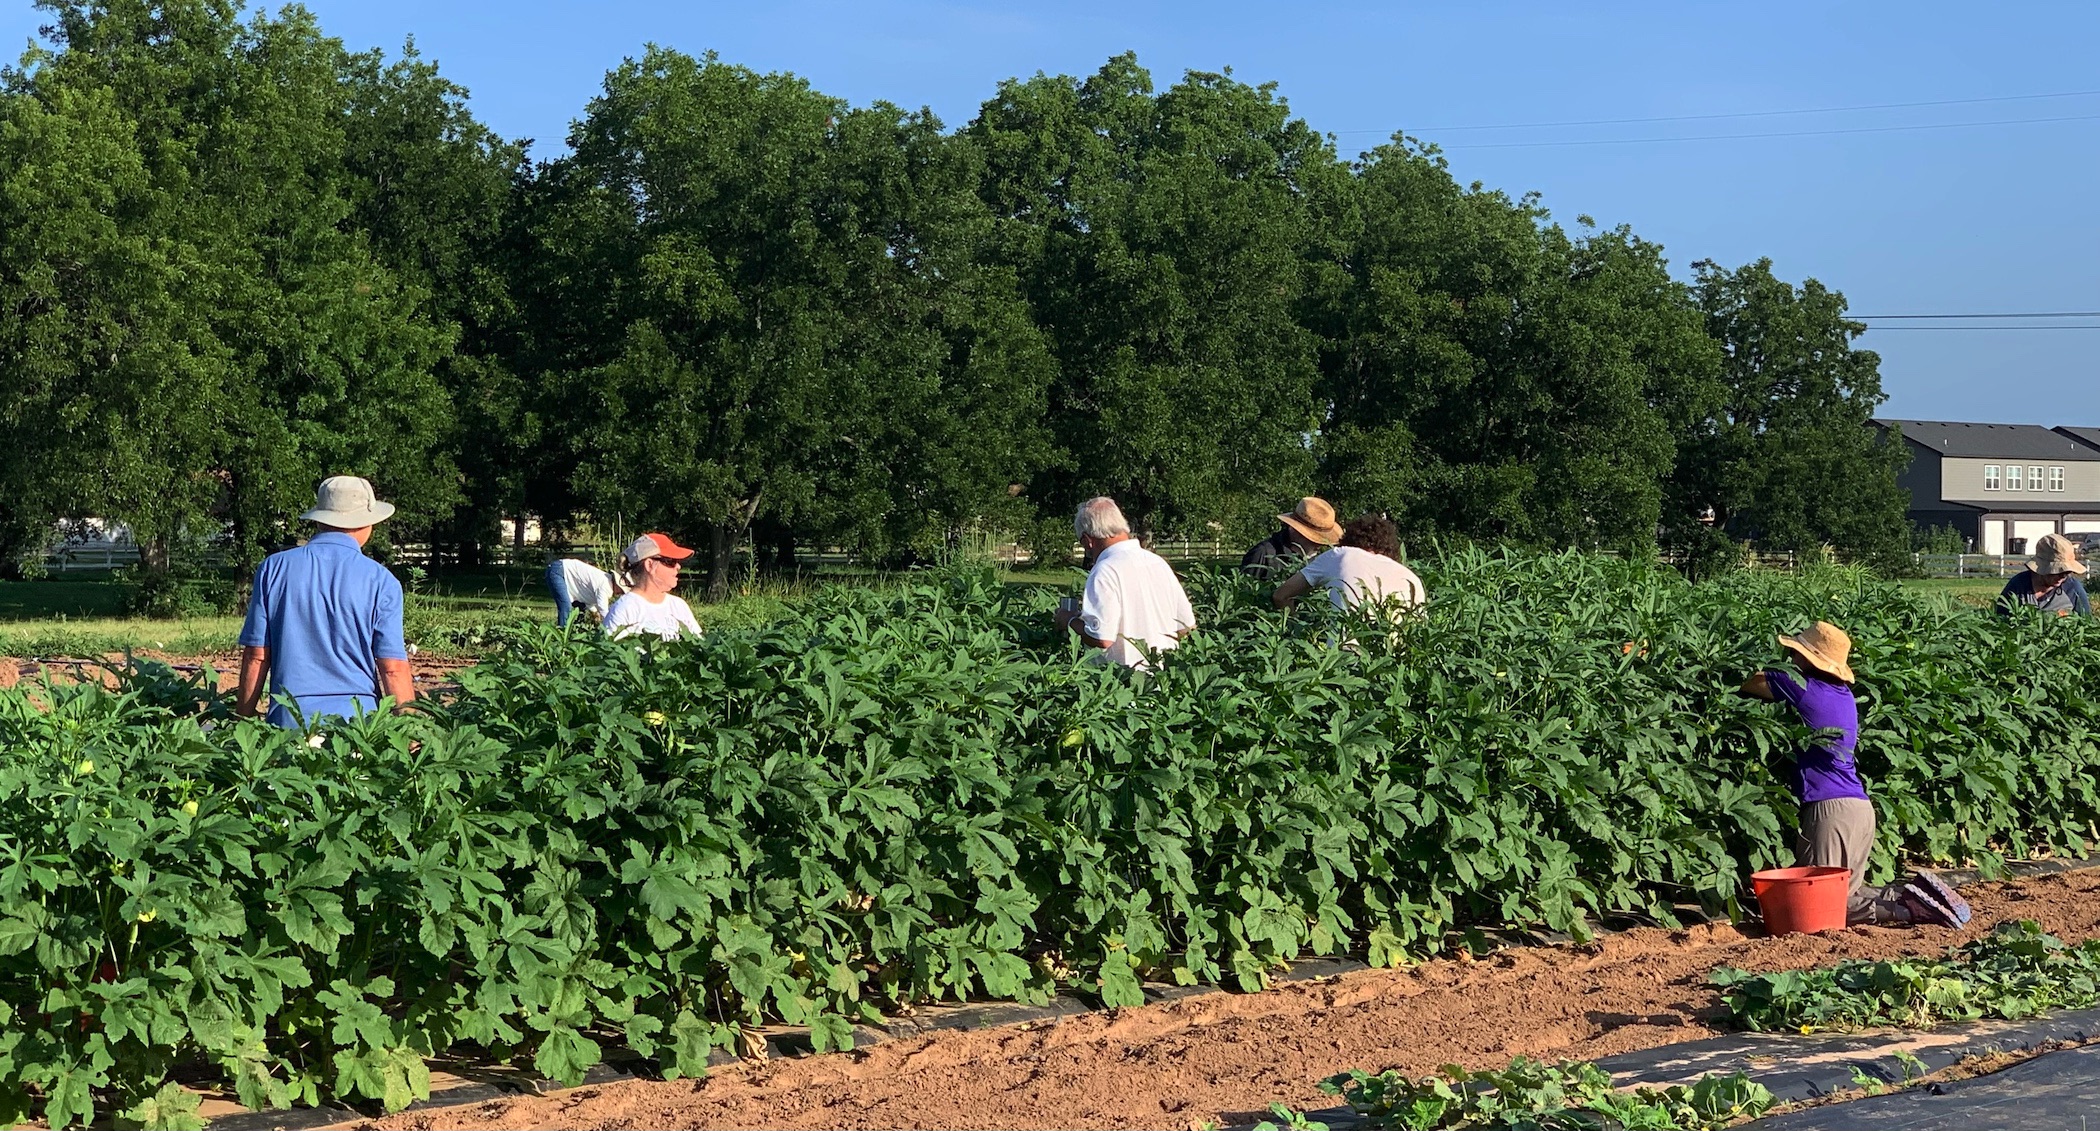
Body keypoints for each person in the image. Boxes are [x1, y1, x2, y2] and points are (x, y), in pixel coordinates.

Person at [1737, 621, 1970, 928]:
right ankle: (1909, 894)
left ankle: (1911, 911)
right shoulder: (1843, 693)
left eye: (1795, 652)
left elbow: (1749, 684)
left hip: (1829, 809)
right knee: (1850, 890)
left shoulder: (1800, 684)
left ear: (1808, 658)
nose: (1791, 657)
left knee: (1826, 904)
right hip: (1858, 808)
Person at [236, 476, 414, 728]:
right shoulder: (381, 580)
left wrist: (243, 717)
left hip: (289, 718)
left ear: (320, 520)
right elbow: (392, 668)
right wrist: (410, 731)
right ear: (366, 524)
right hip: (358, 723)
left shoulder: (273, 568)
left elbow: (256, 655)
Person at [1052, 497, 1196, 668]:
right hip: (1163, 677)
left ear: (1087, 541)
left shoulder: (1104, 570)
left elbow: (1101, 637)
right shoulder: (1158, 563)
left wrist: (1067, 620)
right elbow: (1186, 627)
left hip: (1123, 681)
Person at [1270, 514, 1426, 616]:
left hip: (1344, 660)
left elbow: (1281, 595)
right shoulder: (1412, 579)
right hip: (1394, 663)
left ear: (1350, 540)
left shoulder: (1341, 555)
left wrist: (1295, 630)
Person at [604, 533, 703, 641]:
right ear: (649, 565)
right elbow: (608, 650)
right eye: (670, 562)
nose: (678, 566)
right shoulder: (625, 608)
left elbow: (699, 647)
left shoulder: (679, 606)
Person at [1240, 497, 1343, 579]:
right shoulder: (1263, 554)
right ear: (1297, 530)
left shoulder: (1316, 560)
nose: (1320, 544)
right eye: (1314, 539)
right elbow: (1244, 597)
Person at [1997, 532, 2090, 617]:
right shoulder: (2018, 585)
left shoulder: (2073, 589)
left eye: (2067, 572)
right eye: (2058, 571)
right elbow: (2000, 620)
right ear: (2043, 568)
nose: (2063, 576)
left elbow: (2086, 623)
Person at [545, 556, 624, 628]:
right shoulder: (606, 586)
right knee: (566, 606)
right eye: (621, 589)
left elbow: (588, 597)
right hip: (558, 571)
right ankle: (562, 634)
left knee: (581, 609)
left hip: (559, 569)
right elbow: (603, 610)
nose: (621, 593)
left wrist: (595, 612)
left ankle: (575, 632)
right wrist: (611, 627)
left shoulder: (606, 580)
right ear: (616, 584)